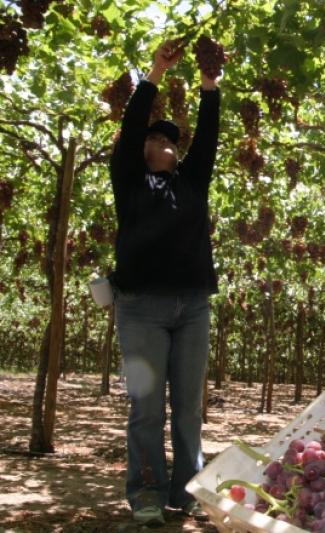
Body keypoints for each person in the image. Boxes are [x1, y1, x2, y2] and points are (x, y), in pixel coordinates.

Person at [108, 38, 221, 526]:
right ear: (143, 148)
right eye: (156, 137)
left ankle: (188, 490)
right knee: (147, 408)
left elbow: (210, 137)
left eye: (172, 138)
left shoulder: (192, 182)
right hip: (140, 307)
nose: (165, 141)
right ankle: (147, 492)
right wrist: (155, 71)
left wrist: (209, 82)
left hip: (193, 306)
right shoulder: (129, 180)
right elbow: (133, 128)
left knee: (189, 411)